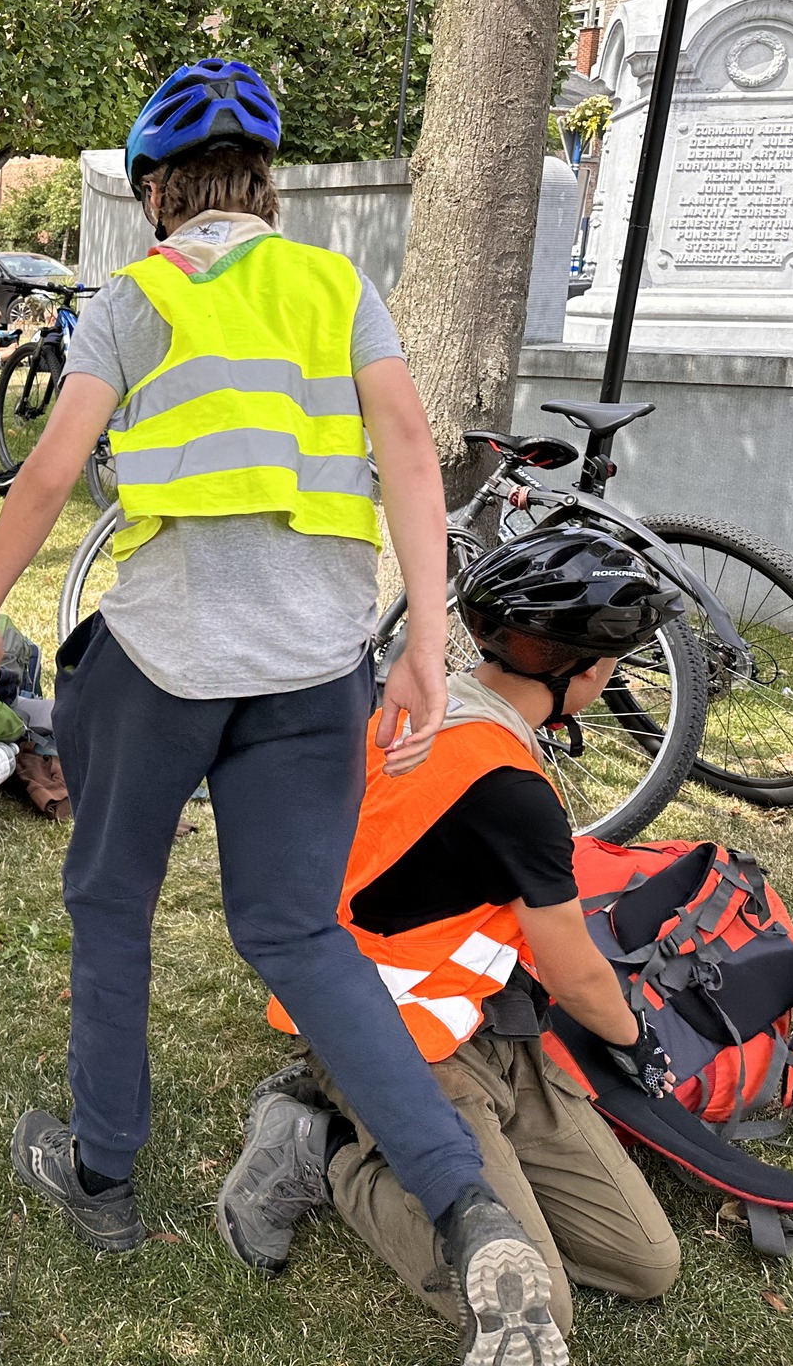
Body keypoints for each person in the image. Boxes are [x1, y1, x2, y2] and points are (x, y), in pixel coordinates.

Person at [0, 58, 558, 1346]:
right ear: (266, 185)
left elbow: (56, 464)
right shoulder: (337, 286)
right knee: (297, 935)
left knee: (110, 906)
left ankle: (101, 1177)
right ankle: (468, 1212)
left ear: (159, 190)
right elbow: (404, 446)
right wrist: (426, 647)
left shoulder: (135, 292)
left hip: (165, 657)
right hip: (315, 663)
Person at [221, 529, 687, 1363]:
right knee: (537, 1302)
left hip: (488, 1025)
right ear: (584, 671)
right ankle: (318, 1150)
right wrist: (632, 1039)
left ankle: (417, 1142)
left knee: (647, 1263)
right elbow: (576, 972)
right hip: (391, 1038)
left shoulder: (421, 702)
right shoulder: (510, 789)